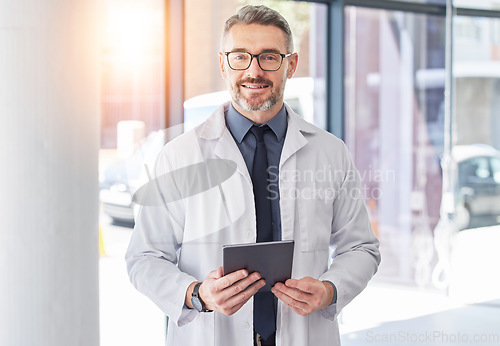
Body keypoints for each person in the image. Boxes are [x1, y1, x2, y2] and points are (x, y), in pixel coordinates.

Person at [126, 5, 380, 346]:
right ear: (223, 63)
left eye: (269, 57)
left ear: (291, 64)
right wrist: (198, 294)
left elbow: (361, 247)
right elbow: (144, 258)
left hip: (304, 334)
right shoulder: (180, 156)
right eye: (240, 57)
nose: (254, 70)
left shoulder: (330, 152)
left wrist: (329, 290)